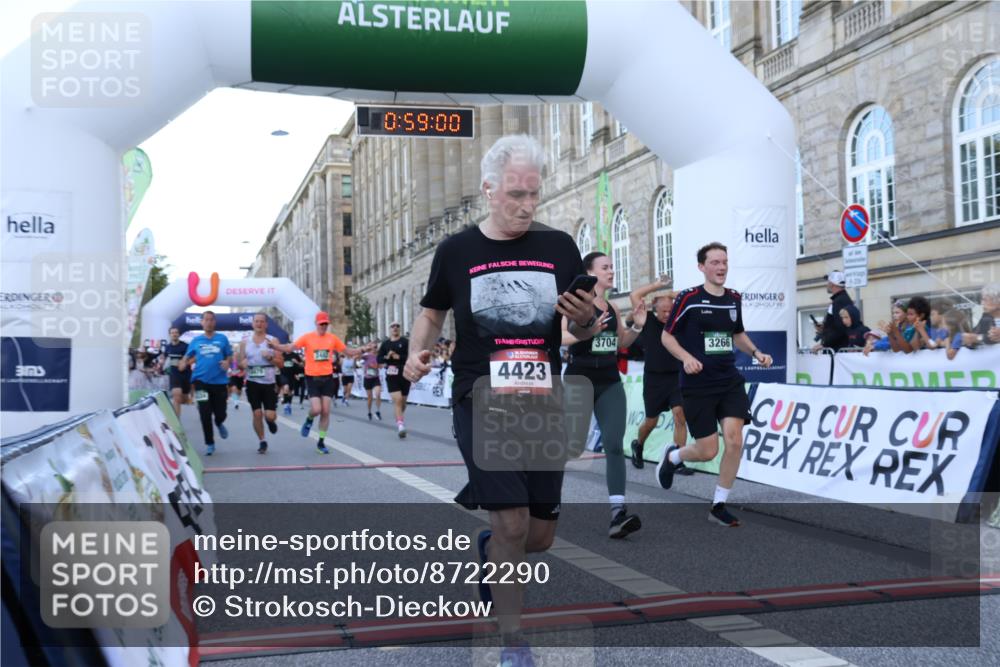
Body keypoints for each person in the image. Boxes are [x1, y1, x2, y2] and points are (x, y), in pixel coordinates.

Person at [402, 134, 596, 666]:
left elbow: (583, 324)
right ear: (489, 190)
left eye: (534, 194)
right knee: (511, 523)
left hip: (543, 400)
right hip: (480, 397)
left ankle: (492, 553)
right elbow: (431, 314)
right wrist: (416, 353)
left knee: (539, 536)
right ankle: (513, 641)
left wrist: (585, 318)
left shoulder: (559, 247)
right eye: (515, 194)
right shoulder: (457, 251)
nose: (526, 206)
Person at [657, 242, 773, 528]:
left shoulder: (733, 298)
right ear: (702, 267)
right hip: (698, 384)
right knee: (708, 450)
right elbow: (667, 337)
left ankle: (719, 505)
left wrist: (756, 353)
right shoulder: (689, 298)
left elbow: (737, 334)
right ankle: (673, 457)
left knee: (734, 441)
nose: (721, 267)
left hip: (729, 380)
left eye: (724, 262)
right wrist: (686, 358)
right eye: (715, 263)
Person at [562, 252, 645, 538]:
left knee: (613, 445)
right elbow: (560, 337)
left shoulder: (611, 306)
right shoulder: (574, 303)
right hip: (580, 379)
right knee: (571, 448)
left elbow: (621, 342)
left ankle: (617, 513)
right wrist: (588, 331)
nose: (612, 271)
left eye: (612, 267)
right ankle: (538, 499)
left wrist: (637, 325)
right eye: (605, 267)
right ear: (590, 273)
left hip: (609, 380)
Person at [627, 276, 691, 475]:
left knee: (680, 415)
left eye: (670, 310)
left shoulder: (678, 322)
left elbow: (687, 296)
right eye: (663, 311)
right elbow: (634, 295)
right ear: (655, 310)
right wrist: (657, 286)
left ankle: (677, 460)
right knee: (651, 421)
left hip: (676, 377)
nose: (667, 314)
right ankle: (638, 444)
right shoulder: (647, 320)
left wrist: (670, 294)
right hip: (654, 379)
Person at [275, 312, 361, 454]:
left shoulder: (332, 338)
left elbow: (348, 351)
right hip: (312, 378)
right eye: (321, 324)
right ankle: (309, 419)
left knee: (326, 411)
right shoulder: (307, 337)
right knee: (316, 410)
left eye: (325, 324)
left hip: (327, 378)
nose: (323, 326)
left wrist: (362, 349)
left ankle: (321, 442)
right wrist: (276, 347)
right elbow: (290, 347)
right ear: (316, 324)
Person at [179, 311, 233, 456]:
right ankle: (209, 443)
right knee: (204, 412)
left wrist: (227, 362)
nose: (209, 322)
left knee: (221, 412)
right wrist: (183, 363)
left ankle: (219, 422)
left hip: (219, 381)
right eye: (206, 320)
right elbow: (187, 356)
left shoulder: (222, 339)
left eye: (211, 320)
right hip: (200, 381)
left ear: (214, 322)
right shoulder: (196, 341)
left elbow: (229, 355)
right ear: (201, 322)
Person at [238, 313, 283, 454]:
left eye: (262, 321)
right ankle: (262, 441)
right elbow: (240, 364)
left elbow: (281, 364)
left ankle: (270, 421)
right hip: (252, 383)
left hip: (269, 383)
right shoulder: (245, 342)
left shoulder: (272, 340)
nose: (259, 324)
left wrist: (270, 358)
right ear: (253, 324)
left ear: (266, 324)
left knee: (269, 415)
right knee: (257, 414)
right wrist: (242, 364)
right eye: (256, 321)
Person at [378, 322, 411, 437]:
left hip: (405, 373)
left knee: (403, 402)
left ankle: (398, 417)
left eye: (397, 326)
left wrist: (399, 357)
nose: (395, 328)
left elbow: (410, 356)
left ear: (399, 329)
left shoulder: (405, 342)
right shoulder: (385, 344)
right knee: (398, 400)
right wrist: (387, 357)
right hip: (391, 374)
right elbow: (379, 359)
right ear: (390, 329)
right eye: (393, 326)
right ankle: (400, 425)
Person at [811, 271, 854, 352]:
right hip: (836, 349)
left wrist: (824, 344)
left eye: (828, 282)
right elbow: (837, 325)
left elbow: (841, 328)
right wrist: (824, 328)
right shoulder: (841, 299)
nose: (827, 284)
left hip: (836, 351)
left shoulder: (840, 301)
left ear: (832, 284)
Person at [162, 327, 191, 416]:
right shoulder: (167, 347)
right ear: (170, 335)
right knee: (177, 397)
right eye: (172, 333)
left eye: (176, 332)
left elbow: (193, 358)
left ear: (179, 334)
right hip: (174, 375)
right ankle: (176, 422)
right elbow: (164, 359)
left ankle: (187, 398)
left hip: (185, 375)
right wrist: (162, 364)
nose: (174, 334)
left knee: (184, 399)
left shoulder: (185, 346)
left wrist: (185, 363)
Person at [964, 283, 1000, 347]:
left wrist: (978, 338)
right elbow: (972, 339)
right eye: (982, 300)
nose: (982, 303)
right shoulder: (984, 319)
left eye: (985, 300)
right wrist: (970, 339)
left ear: (998, 301)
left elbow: (979, 337)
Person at [361, 341, 382, 421]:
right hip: (367, 379)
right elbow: (358, 357)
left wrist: (378, 366)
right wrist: (364, 350)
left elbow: (380, 365)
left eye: (375, 347)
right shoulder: (366, 355)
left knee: (378, 394)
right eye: (373, 347)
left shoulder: (378, 356)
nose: (374, 349)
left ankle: (377, 411)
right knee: (370, 398)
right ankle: (369, 412)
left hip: (375, 378)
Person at [278, 347, 301, 415]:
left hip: (292, 375)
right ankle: (285, 405)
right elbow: (278, 363)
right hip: (283, 374)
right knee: (286, 387)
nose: (288, 348)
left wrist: (296, 362)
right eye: (287, 346)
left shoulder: (295, 355)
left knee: (290, 392)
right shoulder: (282, 355)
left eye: (290, 347)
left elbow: (302, 365)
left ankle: (289, 404)